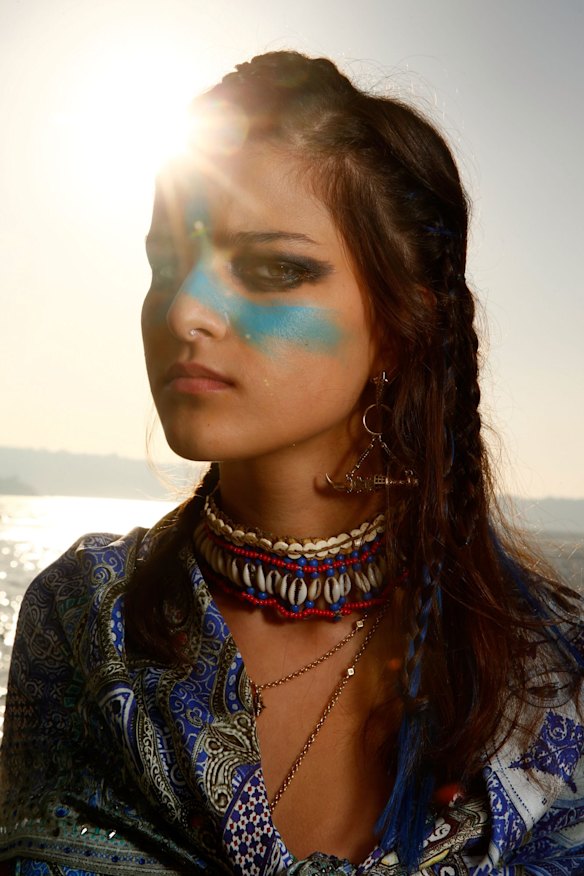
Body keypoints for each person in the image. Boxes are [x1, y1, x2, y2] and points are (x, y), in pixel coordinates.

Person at [0, 50, 583, 876]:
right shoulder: (85, 623)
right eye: (165, 264)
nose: (186, 309)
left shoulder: (547, 670)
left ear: (399, 324)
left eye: (274, 269)